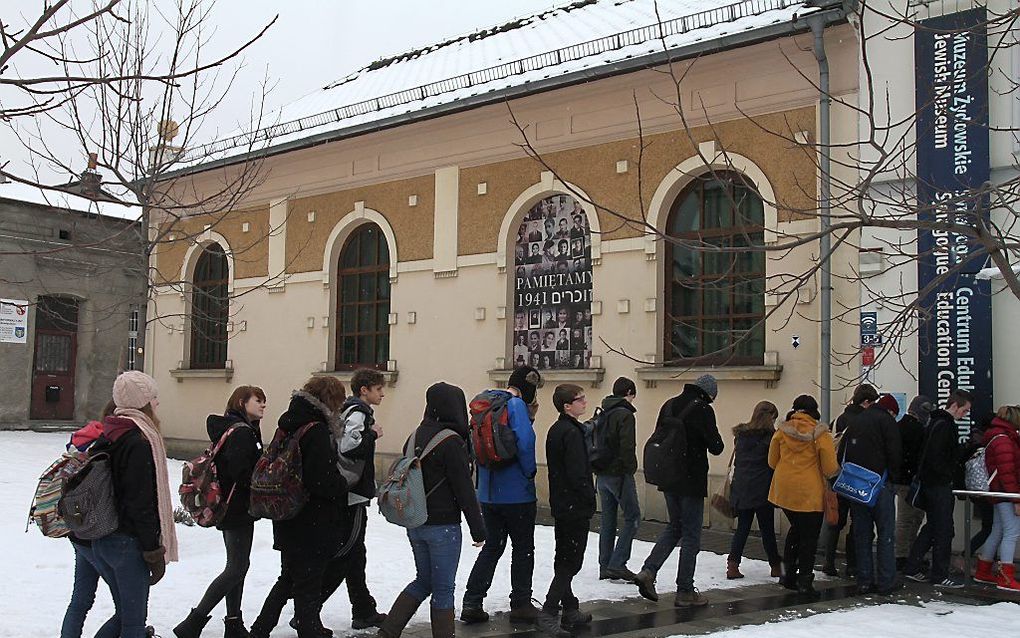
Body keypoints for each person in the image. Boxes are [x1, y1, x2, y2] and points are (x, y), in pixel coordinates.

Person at [377, 382, 485, 638]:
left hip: (416, 521)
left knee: (424, 580)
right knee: (444, 588)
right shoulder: (451, 442)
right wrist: (478, 529)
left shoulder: (414, 436)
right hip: (443, 526)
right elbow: (464, 490)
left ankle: (388, 632)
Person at [250, 377, 349, 638]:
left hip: (287, 512)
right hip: (311, 518)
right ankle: (309, 629)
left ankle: (260, 629)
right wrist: (342, 485)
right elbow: (321, 480)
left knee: (288, 577)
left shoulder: (289, 423)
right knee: (308, 581)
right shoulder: (315, 429)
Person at [89, 371, 179, 638]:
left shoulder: (110, 432)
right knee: (133, 623)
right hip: (126, 543)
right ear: (142, 402)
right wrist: (153, 550)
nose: (157, 403)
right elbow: (140, 502)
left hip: (103, 539)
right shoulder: (139, 441)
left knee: (124, 616)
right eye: (153, 398)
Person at [175, 386, 267, 638]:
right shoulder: (242, 433)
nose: (263, 406)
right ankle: (193, 622)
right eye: (258, 401)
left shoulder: (232, 427)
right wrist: (262, 481)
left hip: (228, 506)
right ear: (241, 401)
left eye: (264, 402)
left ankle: (234, 623)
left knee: (237, 566)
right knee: (236, 568)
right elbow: (239, 470)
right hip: (236, 507)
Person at [633, 374, 724, 607]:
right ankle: (685, 590)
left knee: (675, 527)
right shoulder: (703, 409)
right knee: (691, 534)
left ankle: (648, 570)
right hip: (691, 479)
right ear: (709, 394)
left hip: (669, 476)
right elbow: (716, 447)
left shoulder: (669, 404)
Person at [461, 366, 542, 625]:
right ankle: (521, 602)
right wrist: (529, 474)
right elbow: (526, 443)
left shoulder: (484, 404)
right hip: (516, 493)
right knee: (523, 548)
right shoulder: (516, 405)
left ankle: (472, 601)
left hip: (488, 492)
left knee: (493, 547)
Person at [319, 369, 387, 630]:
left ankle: (362, 608)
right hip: (353, 491)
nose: (382, 393)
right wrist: (372, 434)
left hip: (350, 490)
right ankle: (311, 605)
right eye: (378, 389)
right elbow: (350, 446)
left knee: (355, 553)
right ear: (364, 390)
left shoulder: (349, 410)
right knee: (349, 551)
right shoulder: (358, 412)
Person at [536, 384, 596, 637]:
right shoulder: (570, 433)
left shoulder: (558, 429)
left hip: (563, 503)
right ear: (567, 406)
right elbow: (577, 472)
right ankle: (549, 611)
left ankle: (570, 607)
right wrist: (588, 498)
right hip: (573, 505)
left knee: (565, 557)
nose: (584, 402)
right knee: (570, 560)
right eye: (579, 399)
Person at [767, 395, 839, 599]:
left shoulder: (782, 431)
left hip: (784, 491)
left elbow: (772, 462)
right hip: (809, 493)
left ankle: (787, 574)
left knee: (796, 530)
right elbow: (830, 467)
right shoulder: (820, 434)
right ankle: (805, 581)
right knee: (809, 537)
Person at [903, 389, 973, 588]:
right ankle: (939, 574)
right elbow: (939, 457)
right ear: (955, 405)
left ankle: (912, 567)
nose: (965, 414)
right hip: (938, 485)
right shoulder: (945, 425)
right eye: (965, 410)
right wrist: (949, 472)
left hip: (931, 483)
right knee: (943, 529)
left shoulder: (934, 422)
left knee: (933, 526)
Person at [61, 402, 120, 638]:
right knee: (127, 607)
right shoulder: (109, 443)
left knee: (80, 600)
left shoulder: (85, 437)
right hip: (98, 532)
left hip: (77, 529)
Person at [838, 393, 902, 595]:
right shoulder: (887, 422)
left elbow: (842, 453)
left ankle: (864, 580)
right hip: (881, 486)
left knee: (862, 534)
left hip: (858, 487)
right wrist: (895, 478)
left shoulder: (856, 421)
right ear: (891, 411)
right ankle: (886, 581)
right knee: (885, 535)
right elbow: (895, 454)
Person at [821, 384, 877, 577]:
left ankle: (828, 562)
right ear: (866, 402)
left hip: (837, 475)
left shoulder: (839, 419)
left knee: (835, 520)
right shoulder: (864, 421)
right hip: (856, 477)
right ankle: (852, 563)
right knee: (857, 521)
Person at [727, 401, 782, 580]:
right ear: (769, 417)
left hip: (743, 485)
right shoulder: (771, 438)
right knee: (767, 529)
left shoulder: (742, 435)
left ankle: (732, 565)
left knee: (742, 527)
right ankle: (775, 566)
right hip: (762, 487)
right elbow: (774, 462)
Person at [595, 377, 640, 582]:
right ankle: (618, 563)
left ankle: (605, 565)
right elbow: (627, 447)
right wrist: (630, 469)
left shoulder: (603, 411)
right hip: (619, 475)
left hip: (602, 473)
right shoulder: (625, 415)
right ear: (629, 393)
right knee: (632, 517)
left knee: (607, 521)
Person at [973, 405, 1020, 590]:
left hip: (999, 492)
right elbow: (1007, 472)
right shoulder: (1004, 440)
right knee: (1012, 532)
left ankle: (983, 570)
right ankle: (1005, 576)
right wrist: (1016, 499)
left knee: (998, 530)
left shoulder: (997, 437)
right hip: (1006, 493)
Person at [894, 395, 932, 571]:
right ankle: (905, 554)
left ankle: (904, 554)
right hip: (912, 480)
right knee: (911, 518)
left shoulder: (900, 426)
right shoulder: (919, 430)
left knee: (905, 518)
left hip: (902, 479)